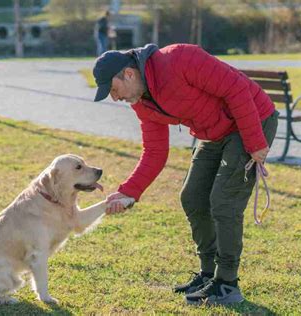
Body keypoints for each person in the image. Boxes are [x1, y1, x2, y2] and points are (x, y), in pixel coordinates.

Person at [92, 43, 278, 305]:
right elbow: (155, 151)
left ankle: (227, 285)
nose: (115, 97)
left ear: (129, 74)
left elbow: (236, 88)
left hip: (252, 118)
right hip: (213, 132)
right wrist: (128, 191)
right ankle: (208, 274)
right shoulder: (142, 103)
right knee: (192, 197)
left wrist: (255, 141)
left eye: (113, 89)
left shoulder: (179, 58)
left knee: (224, 201)